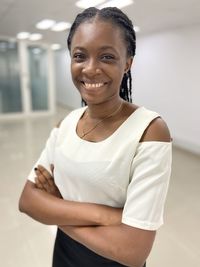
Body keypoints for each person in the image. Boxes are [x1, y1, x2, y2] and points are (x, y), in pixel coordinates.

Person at [19, 7, 172, 267]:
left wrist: (56, 207)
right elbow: (27, 200)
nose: (90, 69)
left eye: (107, 57)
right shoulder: (65, 124)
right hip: (64, 255)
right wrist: (105, 215)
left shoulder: (149, 130)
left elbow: (132, 251)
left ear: (127, 63)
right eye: (80, 56)